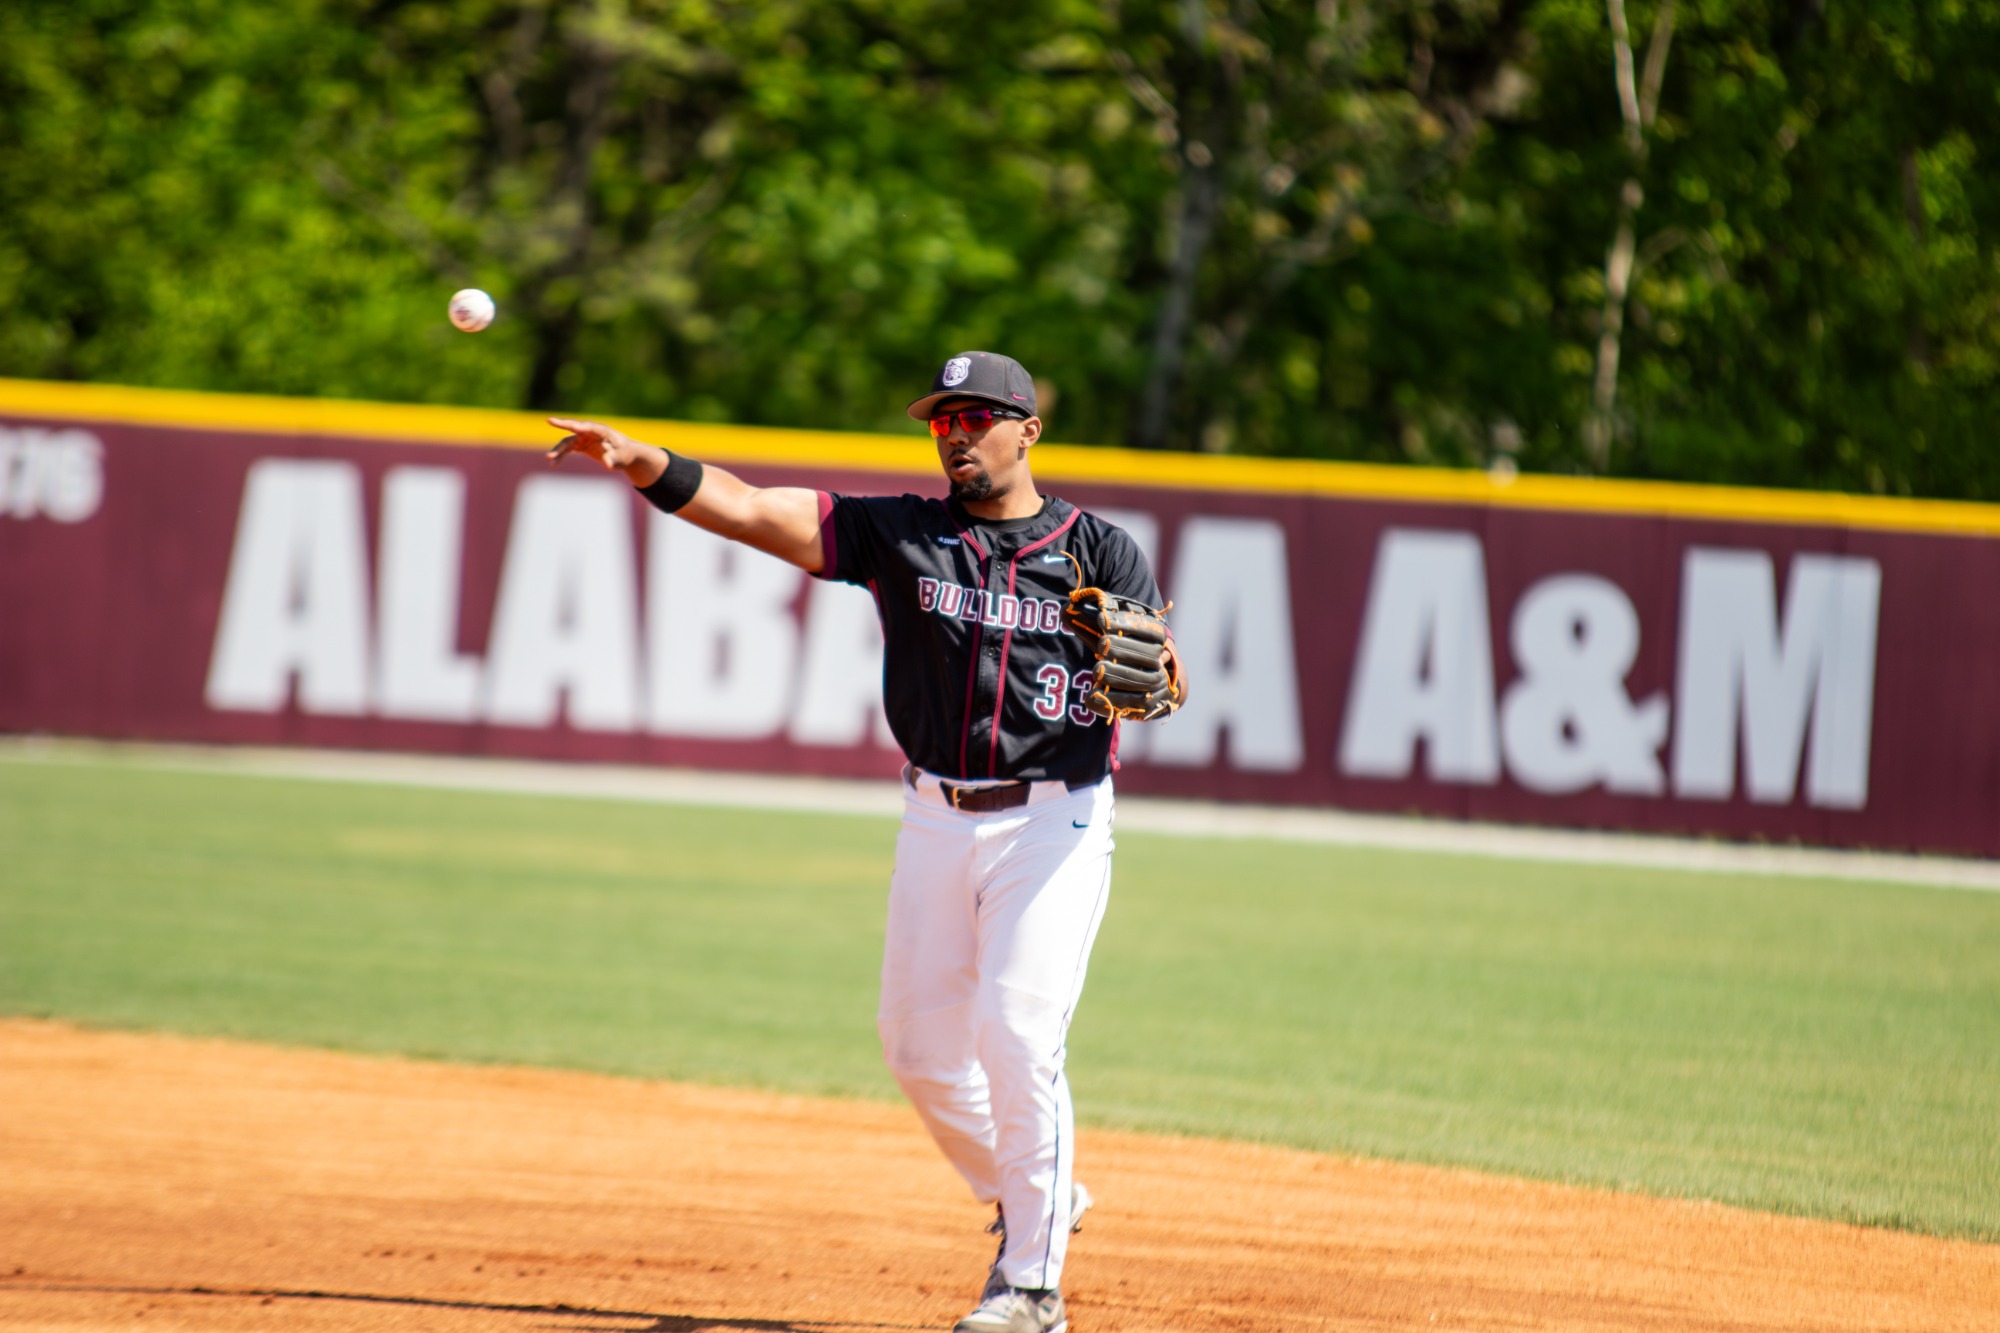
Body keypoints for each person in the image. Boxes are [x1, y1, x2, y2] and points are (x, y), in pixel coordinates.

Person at [547, 350, 1183, 1333]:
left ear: (1027, 431)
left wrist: (1155, 674)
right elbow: (757, 511)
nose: (957, 435)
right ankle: (1039, 1196)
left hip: (1053, 817)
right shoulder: (903, 533)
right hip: (934, 812)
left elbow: (1155, 668)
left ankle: (1030, 1286)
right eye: (943, 421)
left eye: (976, 418)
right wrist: (645, 462)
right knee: (918, 1050)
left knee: (1017, 1032)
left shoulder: (1096, 547)